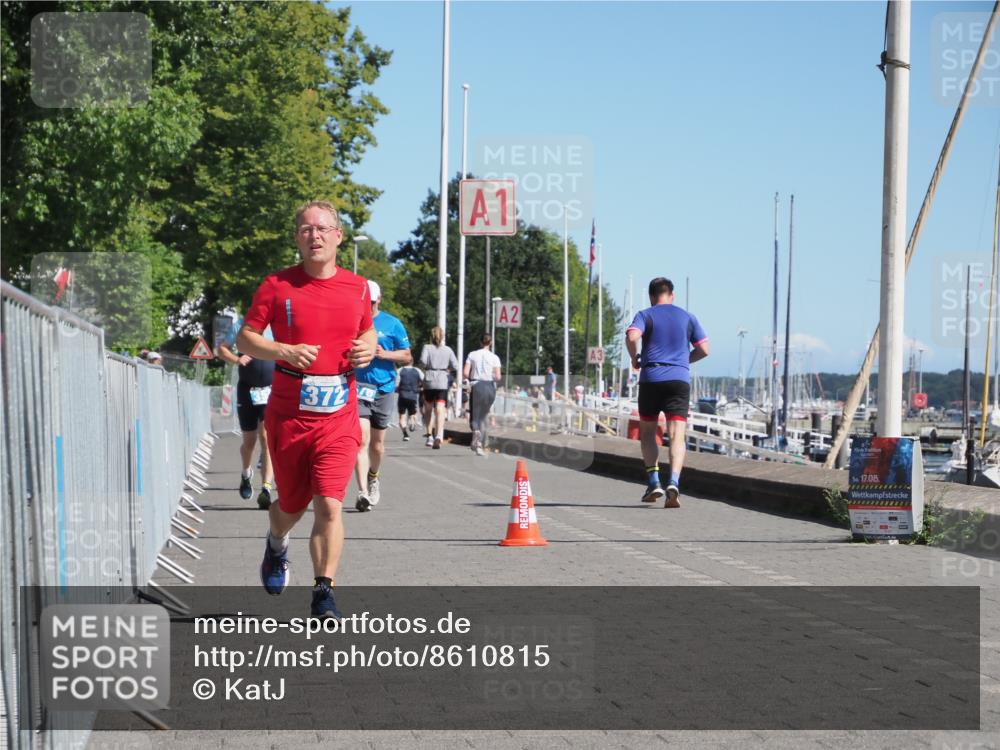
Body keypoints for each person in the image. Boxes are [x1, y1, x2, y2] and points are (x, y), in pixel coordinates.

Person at [237, 200, 376, 619]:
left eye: (322, 229)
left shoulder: (358, 287)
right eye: (305, 229)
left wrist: (369, 347)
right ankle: (276, 544)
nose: (314, 235)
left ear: (338, 236)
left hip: (339, 413)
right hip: (290, 414)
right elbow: (245, 339)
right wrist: (282, 349)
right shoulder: (277, 285)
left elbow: (366, 330)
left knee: (330, 503)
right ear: (297, 237)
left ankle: (323, 591)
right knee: (292, 506)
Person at [625, 277, 709, 508]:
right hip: (678, 381)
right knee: (676, 435)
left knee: (649, 433)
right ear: (672, 295)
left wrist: (634, 358)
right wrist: (684, 361)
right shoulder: (687, 317)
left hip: (651, 377)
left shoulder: (646, 314)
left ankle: (654, 482)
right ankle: (673, 481)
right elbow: (704, 349)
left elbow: (632, 336)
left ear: (652, 296)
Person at [353, 280, 412, 512]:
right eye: (365, 302)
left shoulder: (392, 323)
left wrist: (384, 354)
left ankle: (373, 477)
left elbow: (407, 356)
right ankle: (362, 493)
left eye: (372, 303)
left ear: (380, 300)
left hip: (384, 389)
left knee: (377, 445)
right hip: (358, 386)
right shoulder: (352, 321)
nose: (368, 307)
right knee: (361, 439)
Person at [217, 320, 277, 509]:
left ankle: (266, 488)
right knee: (249, 441)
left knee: (267, 438)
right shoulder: (241, 325)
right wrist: (237, 359)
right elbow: (222, 349)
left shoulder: (276, 326)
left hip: (270, 390)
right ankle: (246, 473)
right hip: (247, 389)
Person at [419, 326, 458, 449]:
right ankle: (439, 435)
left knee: (429, 408)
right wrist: (446, 369)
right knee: (440, 409)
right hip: (442, 380)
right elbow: (455, 366)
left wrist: (427, 366)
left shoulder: (427, 347)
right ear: (443, 337)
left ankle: (429, 435)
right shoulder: (448, 350)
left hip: (430, 380)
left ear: (431, 336)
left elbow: (423, 361)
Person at [464, 333, 502, 456]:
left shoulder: (472, 355)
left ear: (480, 342)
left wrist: (471, 379)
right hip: (490, 387)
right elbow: (498, 377)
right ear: (490, 343)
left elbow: (465, 372)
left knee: (475, 415)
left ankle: (476, 434)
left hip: (477, 386)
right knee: (483, 415)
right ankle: (480, 441)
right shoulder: (495, 357)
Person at [396, 362, 423, 440]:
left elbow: (396, 384)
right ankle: (413, 421)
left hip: (402, 395)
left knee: (402, 416)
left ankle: (405, 435)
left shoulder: (399, 370)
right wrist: (419, 388)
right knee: (413, 413)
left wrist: (397, 390)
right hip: (413, 395)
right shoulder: (417, 370)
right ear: (412, 362)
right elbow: (423, 381)